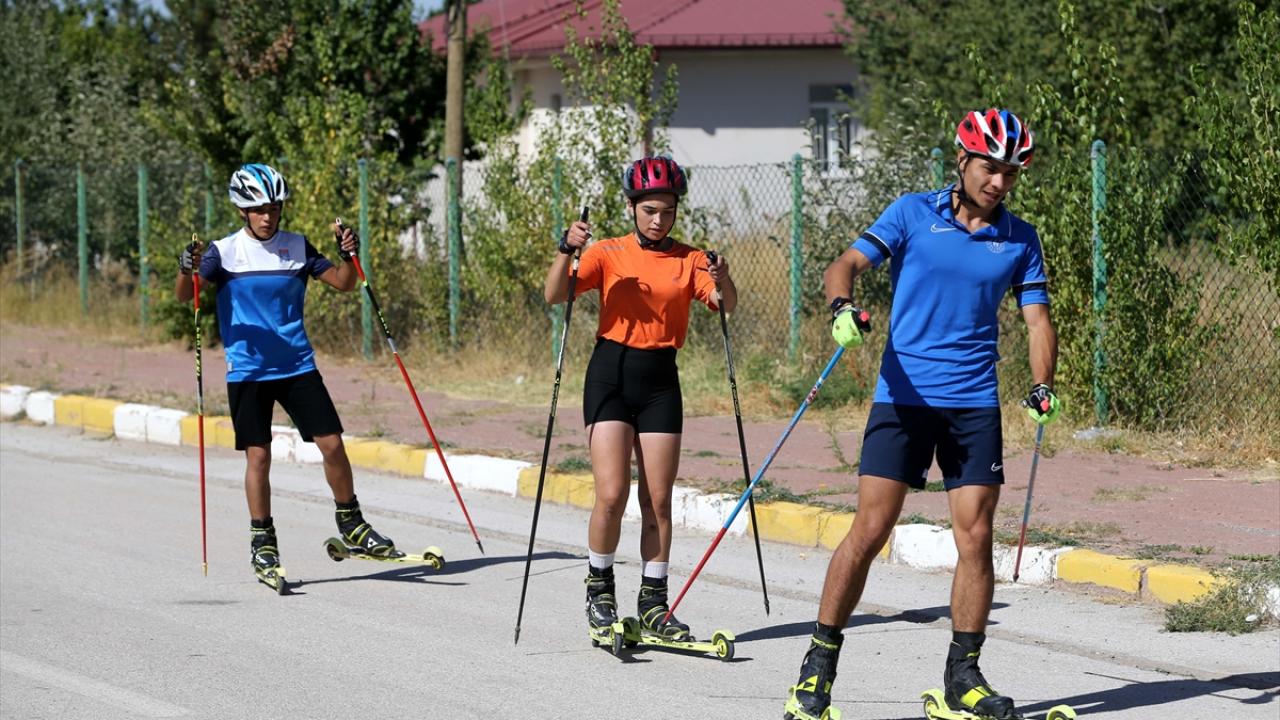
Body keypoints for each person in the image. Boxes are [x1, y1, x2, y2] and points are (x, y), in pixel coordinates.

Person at [783, 109, 1062, 720]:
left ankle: (964, 674)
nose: (999, 182)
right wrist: (841, 306)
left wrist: (1042, 384)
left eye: (1011, 172)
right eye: (990, 167)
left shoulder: (1021, 237)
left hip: (973, 404)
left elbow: (1037, 320)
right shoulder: (912, 212)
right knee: (870, 532)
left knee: (977, 537)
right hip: (903, 398)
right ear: (961, 161)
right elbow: (846, 264)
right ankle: (817, 665)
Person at [175, 163, 401, 591]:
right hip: (249, 371)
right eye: (259, 209)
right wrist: (186, 268)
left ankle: (352, 524)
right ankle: (263, 542)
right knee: (259, 456)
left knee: (332, 445)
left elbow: (344, 283)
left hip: (297, 364)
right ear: (243, 210)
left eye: (274, 208)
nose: (268, 216)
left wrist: (351, 254)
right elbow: (189, 296)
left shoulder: (296, 247)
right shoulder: (223, 252)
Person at [543, 156, 737, 643]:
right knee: (612, 495)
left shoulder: (690, 259)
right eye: (649, 209)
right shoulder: (607, 253)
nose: (658, 219)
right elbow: (553, 294)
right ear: (632, 207)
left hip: (659, 381)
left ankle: (653, 602)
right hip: (609, 374)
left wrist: (724, 275)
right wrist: (565, 250)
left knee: (658, 501)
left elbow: (723, 304)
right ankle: (600, 589)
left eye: (667, 211)